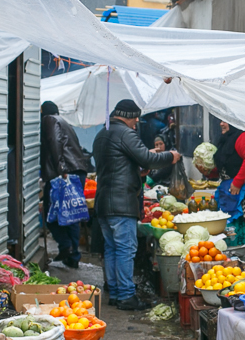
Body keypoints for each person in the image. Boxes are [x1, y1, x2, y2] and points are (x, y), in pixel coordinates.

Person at [93, 99, 180, 310]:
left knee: (112, 248)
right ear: (128, 116)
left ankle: (115, 292)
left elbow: (117, 164)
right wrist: (170, 156)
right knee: (125, 249)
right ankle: (126, 296)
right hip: (121, 203)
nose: (137, 122)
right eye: (135, 118)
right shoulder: (125, 133)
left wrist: (136, 172)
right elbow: (146, 158)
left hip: (104, 201)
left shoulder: (102, 134)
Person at [40, 100, 92, 268]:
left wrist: (61, 169)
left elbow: (55, 143)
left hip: (64, 173)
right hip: (75, 171)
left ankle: (66, 247)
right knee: (72, 214)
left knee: (50, 214)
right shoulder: (64, 122)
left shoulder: (50, 120)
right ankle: (72, 255)